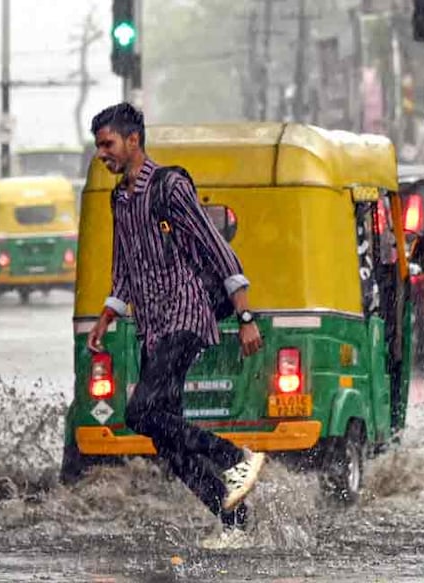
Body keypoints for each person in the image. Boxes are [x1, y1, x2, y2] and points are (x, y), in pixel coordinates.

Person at [85, 103, 267, 549]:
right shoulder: (120, 198)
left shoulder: (170, 186)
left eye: (107, 144)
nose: (102, 154)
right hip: (152, 325)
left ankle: (235, 456)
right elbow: (123, 267)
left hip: (185, 315)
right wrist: (106, 316)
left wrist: (245, 316)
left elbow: (216, 248)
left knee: (139, 412)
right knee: (166, 442)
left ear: (133, 141)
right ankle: (235, 522)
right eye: (98, 146)